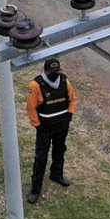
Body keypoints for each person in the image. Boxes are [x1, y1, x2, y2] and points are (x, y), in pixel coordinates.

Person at [26, 58, 76, 204]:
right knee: (41, 158)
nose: (55, 74)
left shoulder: (64, 81)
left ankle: (57, 174)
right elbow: (31, 107)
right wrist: (37, 125)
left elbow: (72, 99)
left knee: (60, 150)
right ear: (46, 70)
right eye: (52, 71)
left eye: (57, 71)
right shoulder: (35, 85)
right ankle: (35, 189)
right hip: (45, 128)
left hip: (62, 125)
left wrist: (70, 115)